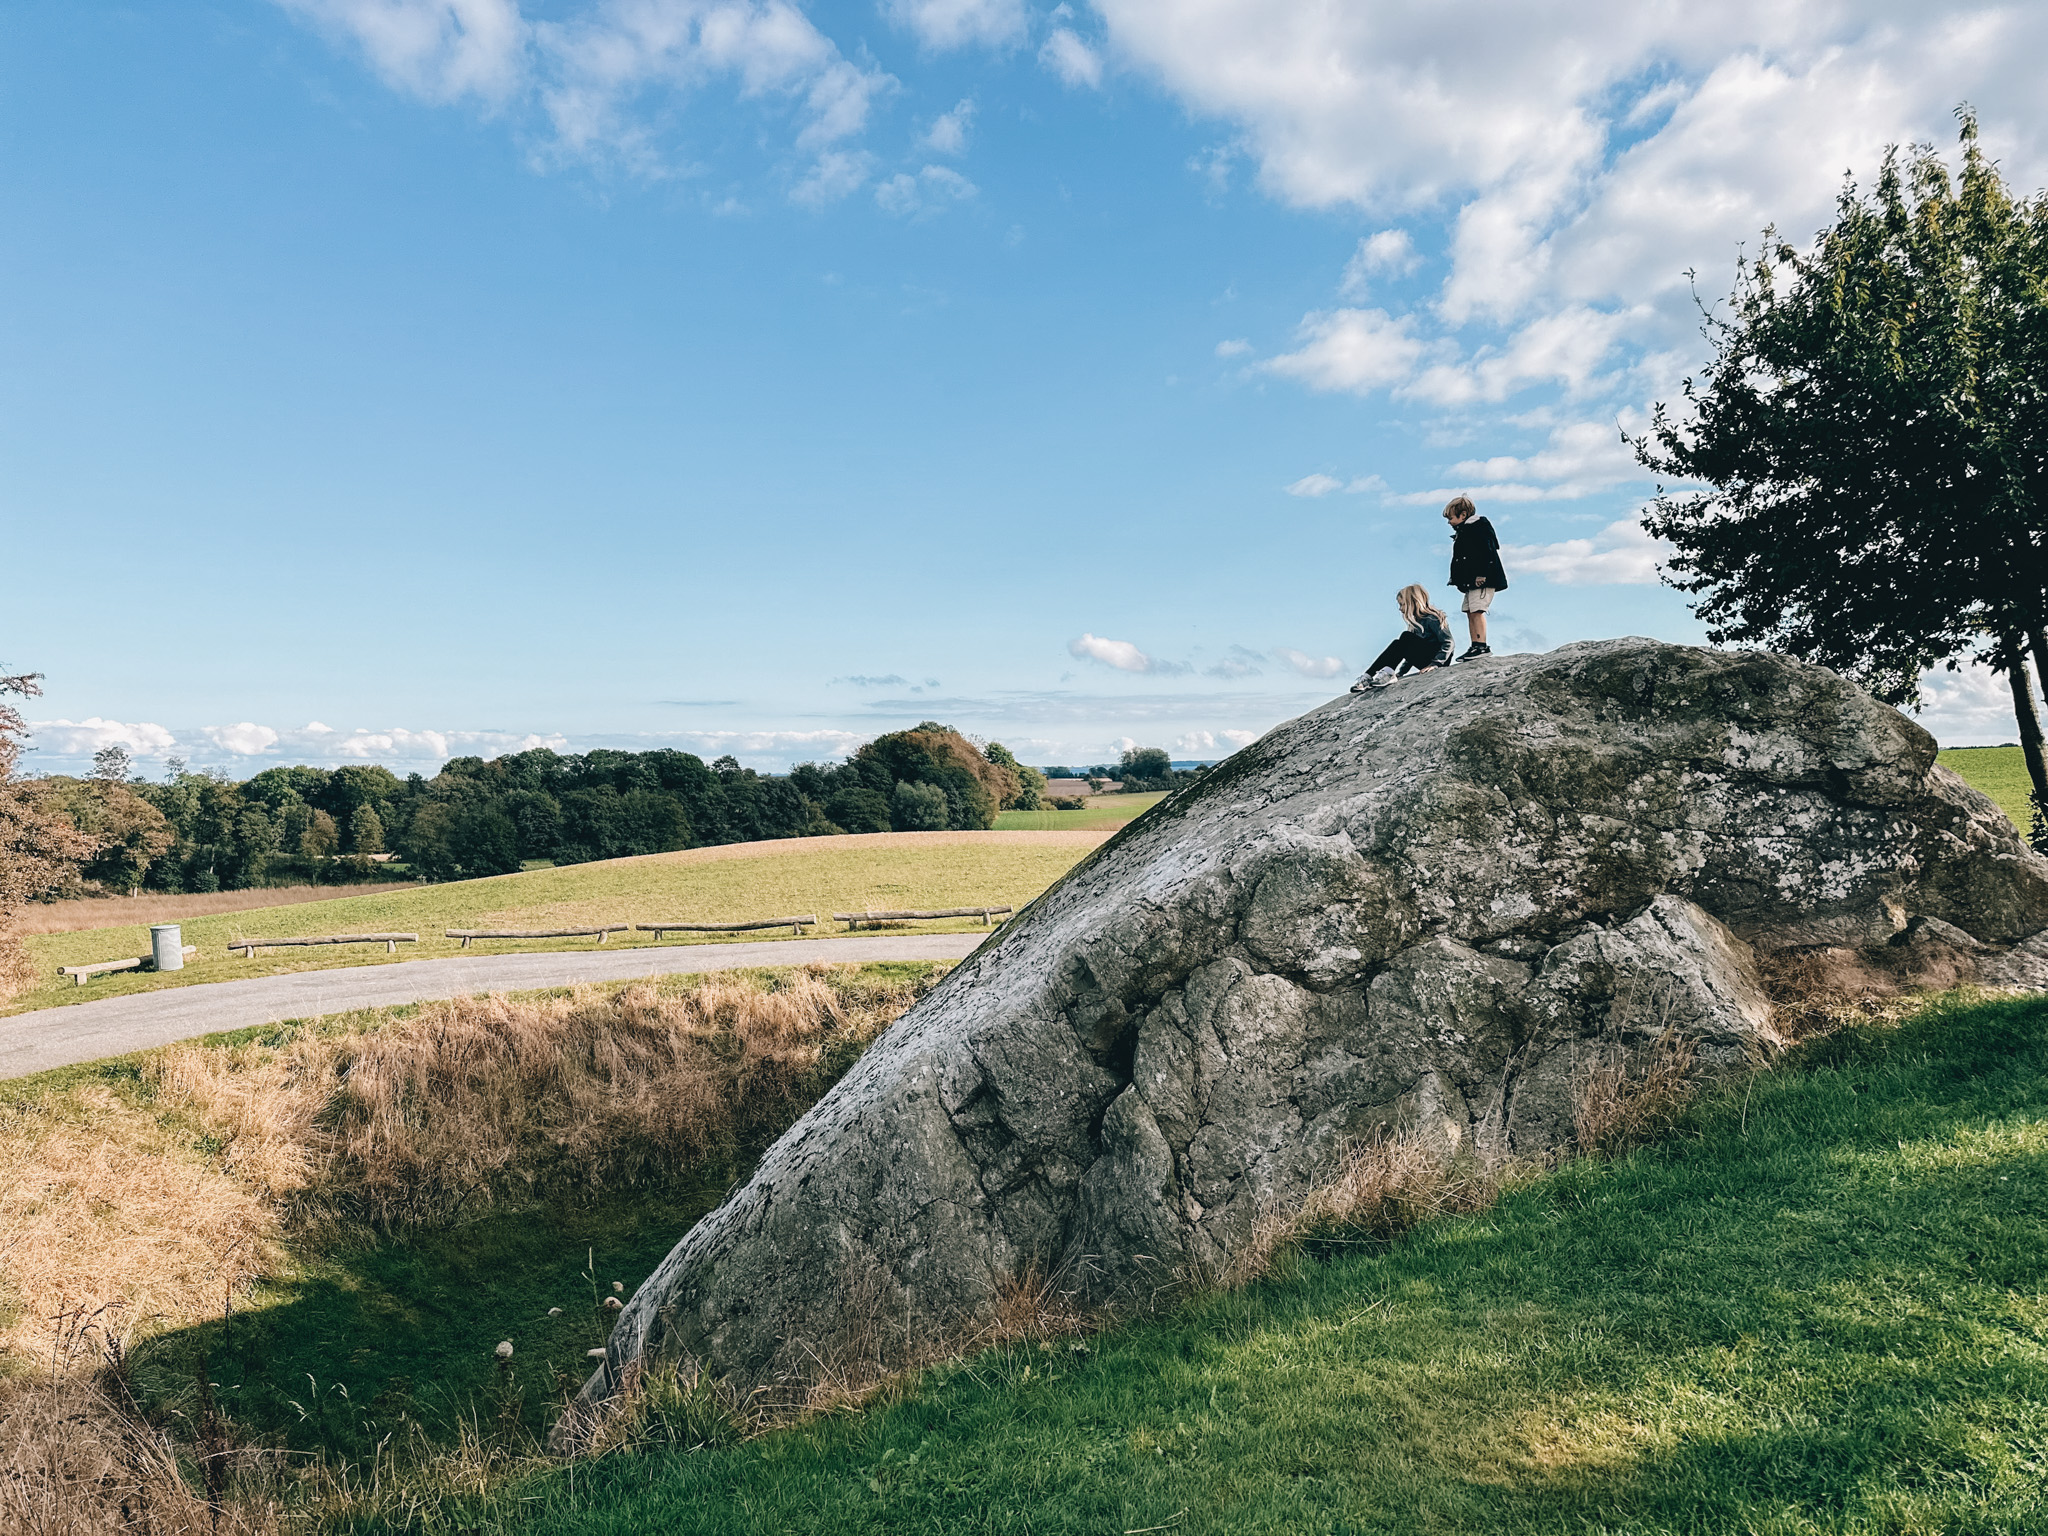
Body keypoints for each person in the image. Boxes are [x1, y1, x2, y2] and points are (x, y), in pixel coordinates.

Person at [1351, 584, 1454, 691]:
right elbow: (1410, 651)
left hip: (1439, 661)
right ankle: (1368, 676)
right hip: (1427, 660)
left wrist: (1436, 663)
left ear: (1412, 602)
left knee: (1405, 637)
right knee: (1398, 643)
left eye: (1402, 604)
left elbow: (1449, 642)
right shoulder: (1416, 623)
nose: (1400, 609)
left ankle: (1388, 674)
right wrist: (1402, 672)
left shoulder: (1432, 618)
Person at [1443, 495, 1507, 660]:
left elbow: (1487, 551)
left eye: (1451, 518)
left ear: (1463, 515)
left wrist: (1482, 574)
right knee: (1470, 611)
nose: (1449, 522)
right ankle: (1475, 644)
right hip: (1472, 582)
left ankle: (1481, 646)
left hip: (1483, 580)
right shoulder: (1465, 532)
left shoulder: (1478, 528)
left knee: (1477, 611)